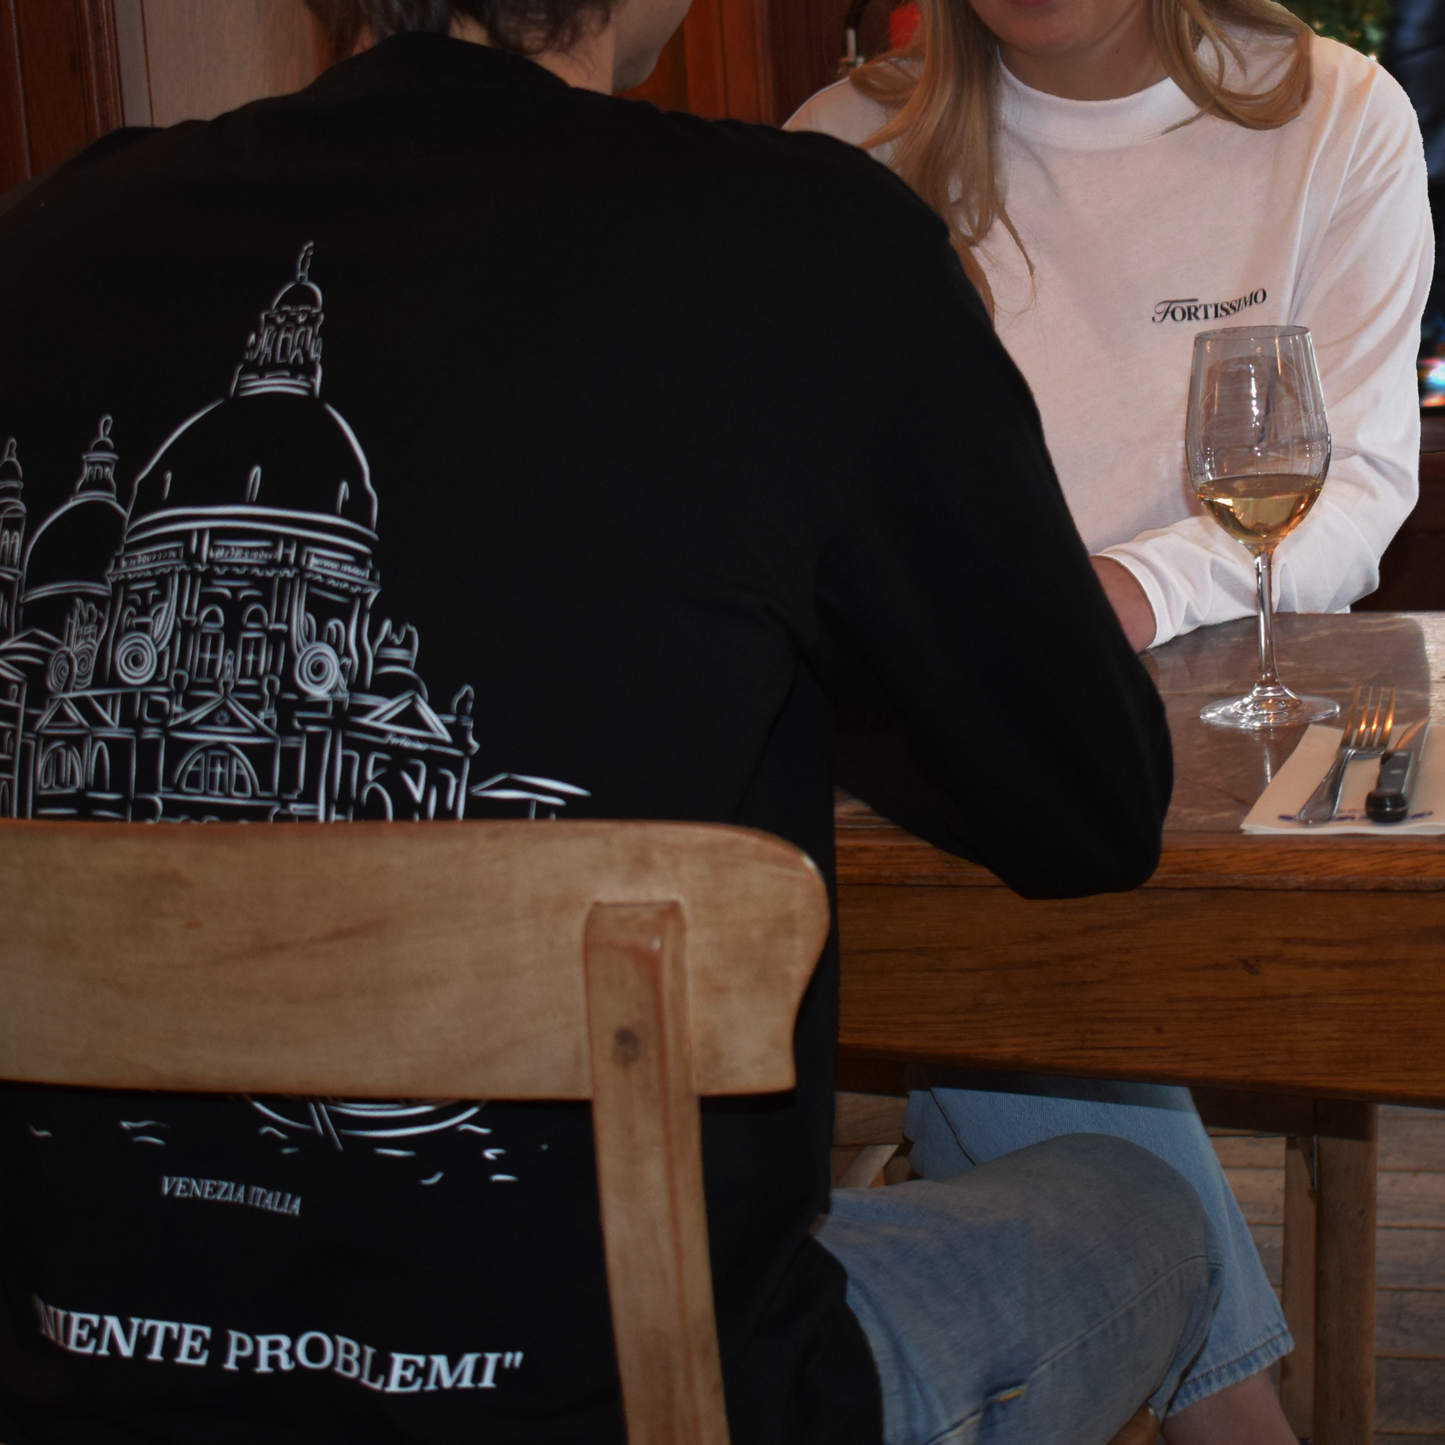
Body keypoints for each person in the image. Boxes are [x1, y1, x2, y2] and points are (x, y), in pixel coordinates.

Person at [0, 0, 1214, 1441]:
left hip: (72, 1385)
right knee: (1143, 1198)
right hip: (620, 1405)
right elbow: (1086, 806)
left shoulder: (47, 241)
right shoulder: (806, 245)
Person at [788, 0, 1432, 1439]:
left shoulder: (1340, 116)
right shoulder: (837, 151)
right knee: (1021, 884)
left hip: (1204, 738)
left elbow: (1365, 481)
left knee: (1033, 898)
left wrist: (1125, 592)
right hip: (924, 767)